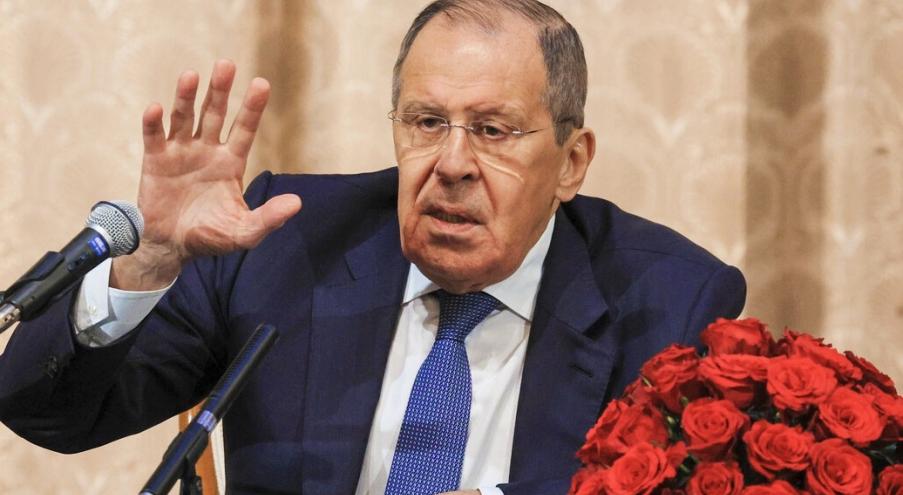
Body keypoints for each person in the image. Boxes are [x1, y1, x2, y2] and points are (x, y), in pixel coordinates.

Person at [0, 1, 746, 494]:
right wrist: (151, 259)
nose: (451, 163)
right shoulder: (285, 242)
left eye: (492, 130)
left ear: (572, 162)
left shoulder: (668, 299)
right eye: (426, 122)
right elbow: (46, 413)